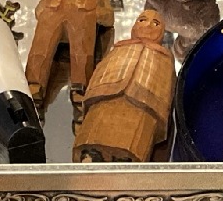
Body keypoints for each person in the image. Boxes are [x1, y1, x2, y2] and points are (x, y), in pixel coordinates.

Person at [73, 9, 175, 163]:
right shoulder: (118, 48)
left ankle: (125, 161)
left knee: (136, 135)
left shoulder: (165, 58)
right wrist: (90, 95)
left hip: (146, 102)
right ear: (133, 26)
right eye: (142, 20)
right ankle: (90, 155)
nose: (148, 25)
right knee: (97, 126)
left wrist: (161, 110)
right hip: (105, 93)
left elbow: (167, 87)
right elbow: (101, 70)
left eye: (156, 23)